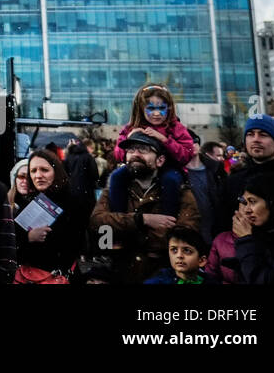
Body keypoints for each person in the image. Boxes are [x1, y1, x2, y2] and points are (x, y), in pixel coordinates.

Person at [89, 131, 201, 283]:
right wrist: (141, 220)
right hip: (121, 272)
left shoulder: (180, 192)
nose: (135, 154)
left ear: (160, 160)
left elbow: (185, 233)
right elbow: (98, 222)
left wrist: (123, 233)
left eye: (143, 150)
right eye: (130, 150)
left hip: (161, 273)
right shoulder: (114, 189)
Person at [108, 84, 195, 218]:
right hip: (139, 166)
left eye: (161, 108)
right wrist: (129, 137)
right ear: (141, 109)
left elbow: (186, 155)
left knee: (170, 180)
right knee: (116, 176)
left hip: (169, 168)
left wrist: (166, 141)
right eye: (151, 108)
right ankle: (118, 217)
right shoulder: (131, 127)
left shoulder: (176, 128)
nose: (156, 113)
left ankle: (168, 220)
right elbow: (119, 155)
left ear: (169, 108)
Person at [218, 115, 274, 234]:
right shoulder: (232, 182)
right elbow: (222, 227)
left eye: (263, 134)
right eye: (250, 134)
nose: (256, 139)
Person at [12, 149, 89, 283]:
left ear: (56, 172)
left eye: (44, 170)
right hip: (28, 277)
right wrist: (28, 237)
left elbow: (76, 244)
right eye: (33, 171)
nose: (38, 175)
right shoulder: (28, 202)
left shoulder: (73, 202)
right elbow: (12, 241)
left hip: (58, 277)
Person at [184, 137, 227, 248]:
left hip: (215, 233)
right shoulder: (177, 173)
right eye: (218, 155)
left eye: (193, 141)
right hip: (191, 235)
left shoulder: (216, 170)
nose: (221, 159)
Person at [143, 225, 209, 284]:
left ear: (201, 261)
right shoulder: (157, 281)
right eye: (174, 250)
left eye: (187, 250)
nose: (179, 255)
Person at [63, 137, 98, 205]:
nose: (92, 151)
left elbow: (64, 173)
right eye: (92, 148)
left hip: (71, 192)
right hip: (86, 194)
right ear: (87, 147)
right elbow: (95, 175)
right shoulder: (88, 157)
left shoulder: (68, 157)